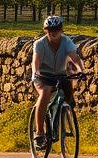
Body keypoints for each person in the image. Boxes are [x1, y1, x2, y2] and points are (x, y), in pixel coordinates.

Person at [31, 15, 85, 149]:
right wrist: (36, 71)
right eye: (49, 29)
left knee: (69, 96)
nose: (52, 32)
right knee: (45, 92)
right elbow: (36, 60)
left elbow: (75, 57)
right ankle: (39, 133)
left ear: (61, 30)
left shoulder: (66, 42)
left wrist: (81, 70)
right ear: (45, 30)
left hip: (60, 75)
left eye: (55, 29)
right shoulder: (40, 43)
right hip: (42, 76)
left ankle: (65, 112)